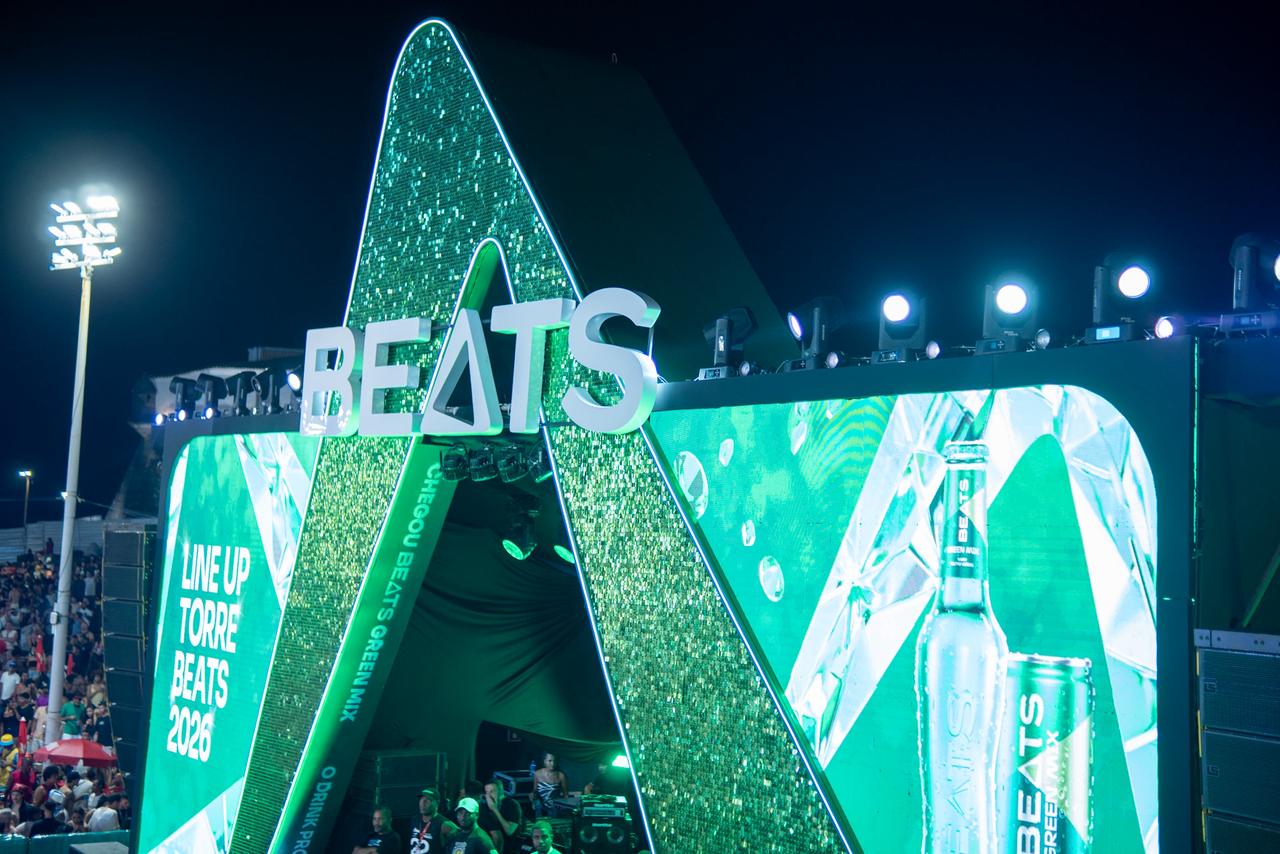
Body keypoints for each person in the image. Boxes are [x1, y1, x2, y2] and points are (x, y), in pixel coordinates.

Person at [478, 779, 523, 854]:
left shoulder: (512, 805)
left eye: (492, 791)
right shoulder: (485, 807)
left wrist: (494, 809)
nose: (489, 796)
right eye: (487, 792)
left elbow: (509, 831)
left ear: (501, 791)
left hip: (509, 848)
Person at [409, 787, 456, 854]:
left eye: (428, 800)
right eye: (422, 799)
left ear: (437, 802)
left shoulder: (444, 824)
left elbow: (463, 839)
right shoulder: (415, 820)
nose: (423, 802)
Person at [531, 754, 567, 818]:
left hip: (554, 806)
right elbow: (535, 791)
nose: (552, 763)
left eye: (554, 761)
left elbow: (565, 794)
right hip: (540, 806)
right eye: (550, 761)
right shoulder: (537, 774)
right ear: (545, 761)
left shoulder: (560, 775)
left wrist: (563, 807)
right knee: (538, 805)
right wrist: (533, 800)